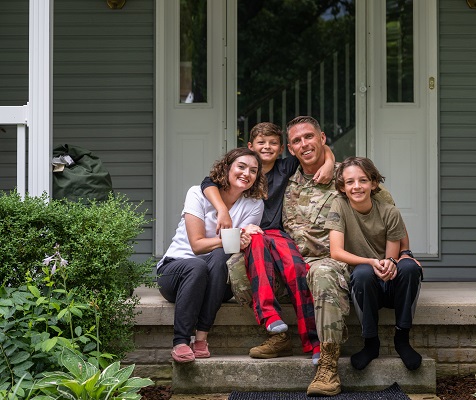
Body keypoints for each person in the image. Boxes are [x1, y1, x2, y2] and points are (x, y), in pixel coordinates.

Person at [282, 116, 406, 396]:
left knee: (323, 273)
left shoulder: (349, 176)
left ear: (323, 138)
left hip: (336, 261)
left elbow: (391, 216)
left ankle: (328, 365)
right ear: (290, 149)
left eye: (309, 137)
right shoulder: (284, 178)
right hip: (293, 261)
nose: (304, 144)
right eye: (297, 141)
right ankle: (276, 337)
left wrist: (404, 253)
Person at [201, 122, 334, 363]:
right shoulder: (243, 172)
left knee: (296, 269)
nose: (267, 147)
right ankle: (270, 316)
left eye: (273, 143)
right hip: (250, 234)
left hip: (277, 232)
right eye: (261, 143)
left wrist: (330, 163)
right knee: (258, 254)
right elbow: (207, 183)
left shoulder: (286, 166)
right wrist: (222, 210)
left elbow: (322, 150)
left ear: (283, 148)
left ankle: (314, 343)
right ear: (250, 147)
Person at [156, 147, 267, 363]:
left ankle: (201, 338)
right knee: (197, 265)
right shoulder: (197, 193)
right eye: (241, 167)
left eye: (253, 171)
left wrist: (239, 239)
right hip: (175, 272)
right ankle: (180, 341)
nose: (247, 174)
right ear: (226, 168)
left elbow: (235, 246)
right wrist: (233, 230)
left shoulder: (254, 205)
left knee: (219, 256)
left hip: (216, 280)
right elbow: (197, 245)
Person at [325, 156, 423, 374]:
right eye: (350, 182)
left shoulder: (389, 211)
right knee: (362, 272)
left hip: (390, 283)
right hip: (364, 286)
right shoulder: (339, 206)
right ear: (342, 186)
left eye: (362, 180)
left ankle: (402, 339)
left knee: (409, 267)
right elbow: (336, 251)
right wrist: (370, 261)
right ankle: (371, 343)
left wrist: (390, 264)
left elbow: (391, 256)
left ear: (373, 183)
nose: (357, 186)